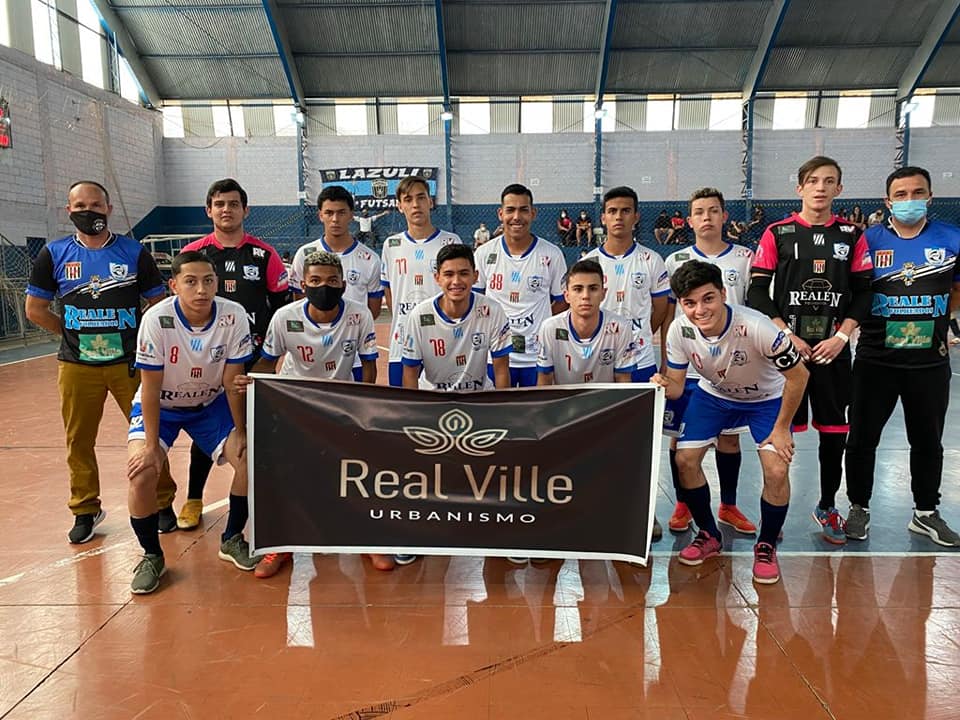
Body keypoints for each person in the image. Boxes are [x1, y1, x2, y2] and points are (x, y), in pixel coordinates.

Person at [25, 180, 177, 544]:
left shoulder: (133, 252)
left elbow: (158, 304)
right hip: (77, 365)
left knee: (150, 433)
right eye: (80, 206)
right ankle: (85, 508)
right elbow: (35, 309)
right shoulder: (54, 253)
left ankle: (162, 501)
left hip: (130, 362)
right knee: (78, 439)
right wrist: (69, 334)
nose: (88, 211)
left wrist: (144, 340)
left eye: (95, 204)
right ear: (69, 211)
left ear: (108, 209)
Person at [653, 260, 808, 585]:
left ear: (723, 294)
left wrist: (782, 429)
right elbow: (679, 387)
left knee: (777, 469)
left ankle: (766, 545)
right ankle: (709, 534)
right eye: (690, 302)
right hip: (715, 396)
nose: (700, 310)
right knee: (685, 460)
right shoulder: (679, 330)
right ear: (681, 303)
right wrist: (664, 385)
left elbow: (799, 376)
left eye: (708, 299)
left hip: (766, 399)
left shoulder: (758, 326)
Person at [235, 250, 386, 576]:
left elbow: (370, 367)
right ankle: (281, 544)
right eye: (315, 281)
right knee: (287, 477)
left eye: (332, 281)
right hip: (294, 406)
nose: (324, 287)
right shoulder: (285, 317)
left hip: (341, 406)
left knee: (355, 474)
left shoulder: (360, 316)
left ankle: (365, 538)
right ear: (303, 284)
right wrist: (251, 383)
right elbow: (266, 363)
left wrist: (363, 409)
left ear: (344, 284)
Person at [747, 156, 873, 545]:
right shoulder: (777, 232)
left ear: (839, 189)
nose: (820, 188)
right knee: (781, 433)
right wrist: (786, 334)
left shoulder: (852, 234)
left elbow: (865, 291)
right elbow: (755, 291)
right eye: (813, 181)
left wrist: (842, 336)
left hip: (833, 351)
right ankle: (776, 508)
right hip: (788, 354)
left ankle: (826, 505)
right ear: (799, 188)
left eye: (829, 181)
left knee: (834, 432)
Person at [126, 251, 255, 594]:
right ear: (174, 286)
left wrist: (242, 433)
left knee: (250, 457)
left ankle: (231, 539)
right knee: (142, 473)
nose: (201, 289)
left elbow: (232, 381)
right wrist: (153, 447)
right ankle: (151, 555)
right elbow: (150, 389)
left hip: (209, 404)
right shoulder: (156, 319)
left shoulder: (234, 315)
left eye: (208, 281)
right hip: (162, 406)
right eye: (191, 281)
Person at [844, 166, 960, 546]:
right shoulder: (868, 241)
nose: (909, 200)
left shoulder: (951, 239)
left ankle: (925, 513)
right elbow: (854, 292)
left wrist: (940, 319)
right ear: (888, 201)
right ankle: (858, 507)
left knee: (928, 440)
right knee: (862, 438)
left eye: (917, 192)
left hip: (930, 361)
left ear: (930, 197)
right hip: (876, 359)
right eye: (902, 193)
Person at [177, 179, 289, 532]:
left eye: (234, 204)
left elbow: (281, 309)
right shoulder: (195, 254)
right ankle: (194, 498)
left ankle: (253, 502)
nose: (227, 209)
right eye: (220, 203)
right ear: (209, 210)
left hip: (254, 363)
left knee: (254, 435)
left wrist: (267, 361)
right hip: (206, 363)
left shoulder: (264, 254)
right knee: (204, 434)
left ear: (246, 210)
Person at [661, 188, 758, 536]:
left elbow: (752, 307)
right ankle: (684, 503)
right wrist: (669, 366)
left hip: (733, 364)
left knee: (729, 440)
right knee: (679, 438)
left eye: (713, 211)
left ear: (724, 216)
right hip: (689, 363)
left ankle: (728, 504)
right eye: (699, 212)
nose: (706, 217)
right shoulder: (675, 259)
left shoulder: (744, 257)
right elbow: (672, 317)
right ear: (689, 221)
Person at [474, 184, 567, 387]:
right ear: (500, 214)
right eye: (510, 210)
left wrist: (537, 324)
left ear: (533, 213)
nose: (517, 216)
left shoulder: (552, 254)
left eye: (523, 210)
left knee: (536, 416)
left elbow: (561, 303)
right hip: (495, 356)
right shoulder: (483, 254)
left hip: (537, 356)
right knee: (498, 415)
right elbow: (475, 302)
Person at [288, 185, 384, 381]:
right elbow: (298, 303)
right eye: (329, 213)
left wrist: (345, 332)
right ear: (320, 215)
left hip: (353, 356)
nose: (335, 219)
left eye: (341, 213)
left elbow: (372, 310)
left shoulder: (370, 259)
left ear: (351, 216)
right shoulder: (304, 254)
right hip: (312, 353)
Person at [380, 175, 462, 387]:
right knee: (402, 405)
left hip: (442, 336)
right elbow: (389, 291)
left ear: (430, 202)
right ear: (399, 206)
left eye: (421, 197)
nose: (415, 204)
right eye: (408, 199)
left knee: (443, 405)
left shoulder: (450, 241)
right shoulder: (391, 245)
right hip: (402, 339)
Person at [402, 243, 511, 392]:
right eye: (448, 274)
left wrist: (501, 411)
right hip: (434, 398)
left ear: (475, 276)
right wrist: (415, 412)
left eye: (464, 273)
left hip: (479, 397)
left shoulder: (492, 310)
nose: (456, 281)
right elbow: (410, 372)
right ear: (437, 278)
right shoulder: (419, 315)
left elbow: (501, 370)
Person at [536, 259, 637, 386]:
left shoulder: (620, 327)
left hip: (607, 404)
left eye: (593, 289)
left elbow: (623, 380)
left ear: (603, 294)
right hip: (564, 403)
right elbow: (544, 380)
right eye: (578, 289)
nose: (585, 296)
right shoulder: (550, 328)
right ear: (566, 296)